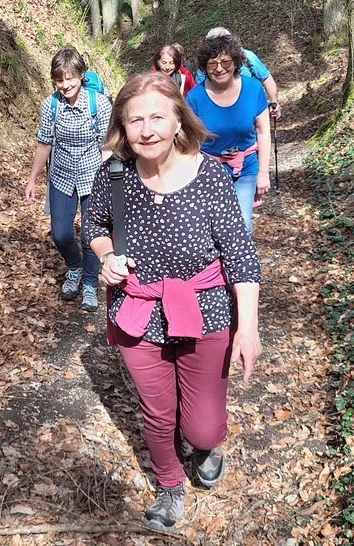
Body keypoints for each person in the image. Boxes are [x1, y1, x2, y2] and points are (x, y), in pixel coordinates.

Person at [82, 72, 263, 532]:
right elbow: (94, 227)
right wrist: (106, 259)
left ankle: (204, 445)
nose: (147, 130)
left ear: (179, 120)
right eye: (135, 120)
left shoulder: (211, 176)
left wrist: (248, 328)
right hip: (138, 310)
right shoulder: (114, 175)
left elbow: (241, 257)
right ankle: (168, 483)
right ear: (122, 128)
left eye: (157, 118)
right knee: (157, 410)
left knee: (202, 427)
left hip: (205, 310)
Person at [24, 47, 113, 312]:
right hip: (61, 176)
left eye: (70, 78)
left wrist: (110, 183)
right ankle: (74, 266)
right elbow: (44, 143)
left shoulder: (99, 104)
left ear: (81, 75)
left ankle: (88, 283)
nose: (65, 85)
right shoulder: (50, 105)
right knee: (61, 234)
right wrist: (32, 180)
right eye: (59, 79)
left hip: (92, 176)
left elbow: (106, 148)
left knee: (90, 234)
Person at [187, 35, 272, 235]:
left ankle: (242, 266)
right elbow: (189, 142)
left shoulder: (253, 89)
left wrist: (263, 173)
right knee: (212, 228)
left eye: (225, 61)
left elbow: (263, 131)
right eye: (212, 63)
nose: (219, 68)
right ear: (204, 67)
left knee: (242, 226)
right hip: (208, 171)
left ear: (235, 62)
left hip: (246, 168)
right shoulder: (194, 97)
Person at [192, 26, 282, 119]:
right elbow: (199, 93)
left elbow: (266, 78)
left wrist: (273, 101)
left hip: (252, 110)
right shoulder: (205, 68)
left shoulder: (248, 57)